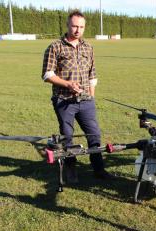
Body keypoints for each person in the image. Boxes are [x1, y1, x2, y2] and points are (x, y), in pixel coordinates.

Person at [42, 10, 114, 182]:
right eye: (74, 26)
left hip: (86, 101)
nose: (77, 30)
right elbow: (47, 75)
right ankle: (71, 168)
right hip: (64, 100)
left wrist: (91, 96)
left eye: (81, 27)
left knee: (94, 135)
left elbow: (92, 75)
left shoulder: (88, 47)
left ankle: (99, 169)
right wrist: (67, 84)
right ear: (67, 25)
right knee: (68, 135)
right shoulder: (55, 47)